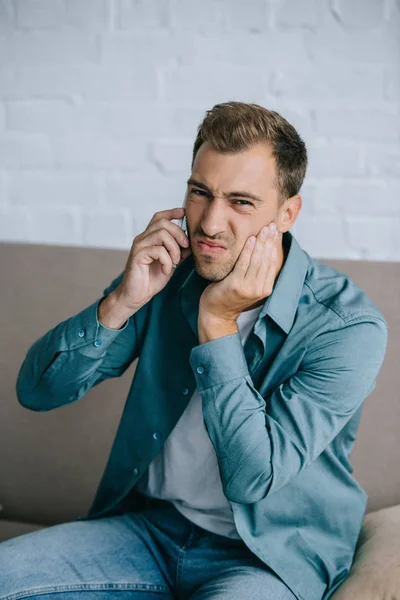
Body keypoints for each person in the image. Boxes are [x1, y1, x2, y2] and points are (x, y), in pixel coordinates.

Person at [0, 102, 388, 600]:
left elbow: (254, 477)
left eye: (241, 203)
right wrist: (121, 301)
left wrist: (218, 323)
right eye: (199, 192)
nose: (208, 223)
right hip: (150, 531)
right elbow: (36, 391)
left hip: (268, 559)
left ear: (287, 213)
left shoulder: (347, 327)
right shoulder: (167, 274)